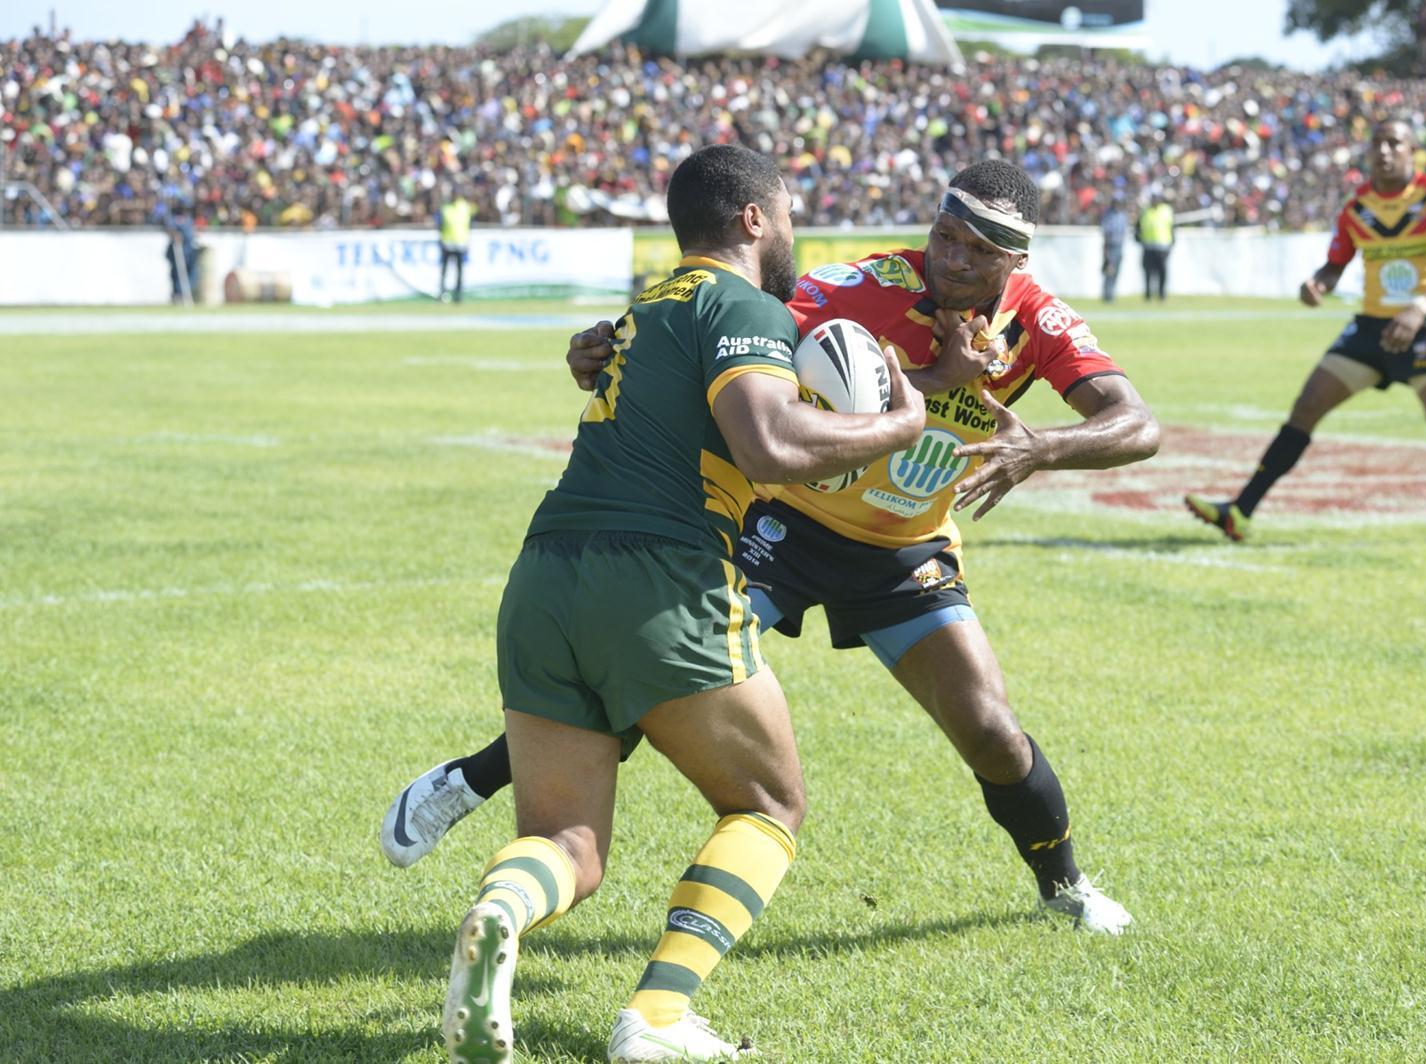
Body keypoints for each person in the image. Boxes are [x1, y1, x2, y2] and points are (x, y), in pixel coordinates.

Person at [386, 160, 1160, 936]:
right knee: (656, 680)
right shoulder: (864, 285)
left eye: (977, 252)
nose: (953, 260)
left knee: (990, 727)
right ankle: (468, 781)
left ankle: (1065, 884)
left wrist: (1042, 448)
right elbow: (729, 333)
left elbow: (1137, 423)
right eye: (945, 236)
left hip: (904, 546)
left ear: (1015, 263)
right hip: (782, 528)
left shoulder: (1042, 322)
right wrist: (611, 346)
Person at [438, 143, 925, 1064]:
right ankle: (658, 1018)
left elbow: (622, 377)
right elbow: (770, 443)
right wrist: (898, 427)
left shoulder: (643, 308)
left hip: (544, 576)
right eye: (784, 213)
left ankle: (501, 908)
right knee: (769, 805)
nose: (791, 231)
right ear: (753, 218)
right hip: (660, 577)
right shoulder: (746, 305)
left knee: (566, 845)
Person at [1184, 119, 1426, 546]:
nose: (1385, 151)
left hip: (1425, 326)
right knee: (1305, 408)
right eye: (1378, 143)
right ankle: (1240, 513)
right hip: (1371, 328)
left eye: (1395, 143)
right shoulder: (1358, 206)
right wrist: (1318, 283)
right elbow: (1336, 264)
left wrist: (1420, 305)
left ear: (1412, 151)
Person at [438, 189, 475, 303]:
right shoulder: (445, 208)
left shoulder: (466, 207)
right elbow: (440, 224)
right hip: (447, 243)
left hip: (460, 243)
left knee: (459, 271)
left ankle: (458, 295)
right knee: (445, 271)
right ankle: (443, 294)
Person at [1136, 194, 1174, 302]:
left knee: (1162, 272)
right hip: (1148, 246)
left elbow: (1171, 227)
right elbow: (1138, 227)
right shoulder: (1145, 211)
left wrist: (1172, 243)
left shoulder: (1166, 210)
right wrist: (1138, 238)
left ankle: (1162, 294)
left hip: (1163, 247)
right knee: (1148, 272)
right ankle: (1148, 295)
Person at [1099, 198, 1128, 303]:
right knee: (1109, 271)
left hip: (1119, 246)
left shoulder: (1123, 215)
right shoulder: (1108, 216)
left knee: (1115, 271)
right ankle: (1107, 295)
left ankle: (1111, 294)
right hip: (1110, 246)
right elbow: (1106, 232)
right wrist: (1106, 250)